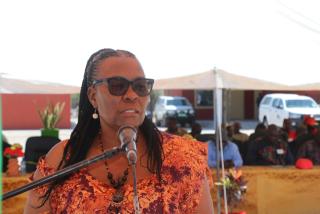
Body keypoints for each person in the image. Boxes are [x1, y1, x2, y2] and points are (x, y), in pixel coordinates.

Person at [24, 48, 213, 213]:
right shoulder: (60, 160)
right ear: (93, 96)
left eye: (140, 86)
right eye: (117, 86)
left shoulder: (184, 160)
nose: (131, 95)